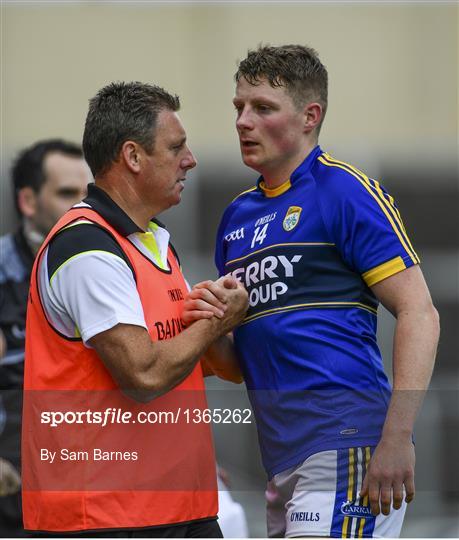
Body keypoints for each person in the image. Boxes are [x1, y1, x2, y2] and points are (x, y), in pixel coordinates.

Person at [184, 45, 440, 538]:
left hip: (347, 441)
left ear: (309, 116)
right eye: (238, 107)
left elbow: (420, 312)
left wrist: (397, 438)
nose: (243, 121)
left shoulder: (344, 190)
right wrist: (209, 330)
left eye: (262, 107)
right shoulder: (236, 218)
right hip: (280, 457)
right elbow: (242, 366)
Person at [21, 81, 248, 537]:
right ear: (133, 156)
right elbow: (143, 376)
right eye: (177, 147)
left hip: (181, 511)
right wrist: (215, 323)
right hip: (107, 519)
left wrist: (225, 318)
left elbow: (225, 366)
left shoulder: (153, 241)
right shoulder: (86, 246)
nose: (191, 160)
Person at [0, 139, 90, 536]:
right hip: (13, 485)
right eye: (67, 194)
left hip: (93, 477)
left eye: (89, 194)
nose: (82, 207)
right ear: (28, 201)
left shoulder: (106, 269)